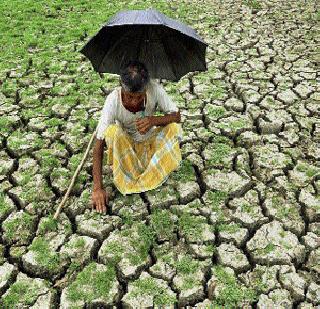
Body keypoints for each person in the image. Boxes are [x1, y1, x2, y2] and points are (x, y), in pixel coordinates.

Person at [91, 60, 183, 214]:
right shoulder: (113, 100)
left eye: (139, 97)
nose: (134, 101)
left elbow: (177, 116)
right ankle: (133, 176)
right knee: (113, 131)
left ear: (146, 88)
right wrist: (97, 188)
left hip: (150, 145)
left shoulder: (154, 89)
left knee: (174, 128)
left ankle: (149, 172)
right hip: (127, 149)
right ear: (121, 87)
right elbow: (99, 144)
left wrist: (153, 120)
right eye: (129, 97)